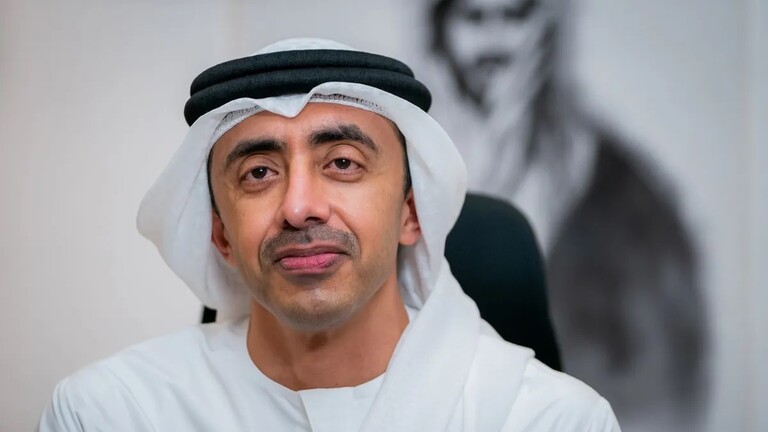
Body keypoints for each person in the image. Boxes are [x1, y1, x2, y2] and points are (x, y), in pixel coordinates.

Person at [39, 38, 620, 431]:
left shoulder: (547, 420)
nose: (299, 208)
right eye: (258, 173)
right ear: (221, 234)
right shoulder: (111, 413)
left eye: (343, 163)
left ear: (412, 213)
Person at [424, 0, 706, 429]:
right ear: (442, 29)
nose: (494, 43)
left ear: (547, 27)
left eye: (514, 17)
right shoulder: (406, 163)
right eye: (474, 18)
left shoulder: (617, 190)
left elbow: (662, 379)